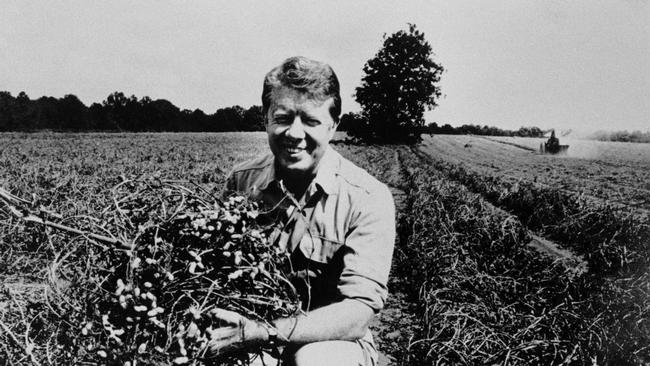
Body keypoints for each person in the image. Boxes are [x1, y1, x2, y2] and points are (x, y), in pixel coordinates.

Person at [211, 56, 395, 366]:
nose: (294, 134)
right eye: (283, 118)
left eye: (310, 121)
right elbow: (215, 273)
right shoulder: (242, 181)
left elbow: (357, 313)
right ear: (266, 119)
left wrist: (263, 332)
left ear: (333, 125)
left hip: (333, 340)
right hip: (250, 331)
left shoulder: (368, 197)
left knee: (314, 360)